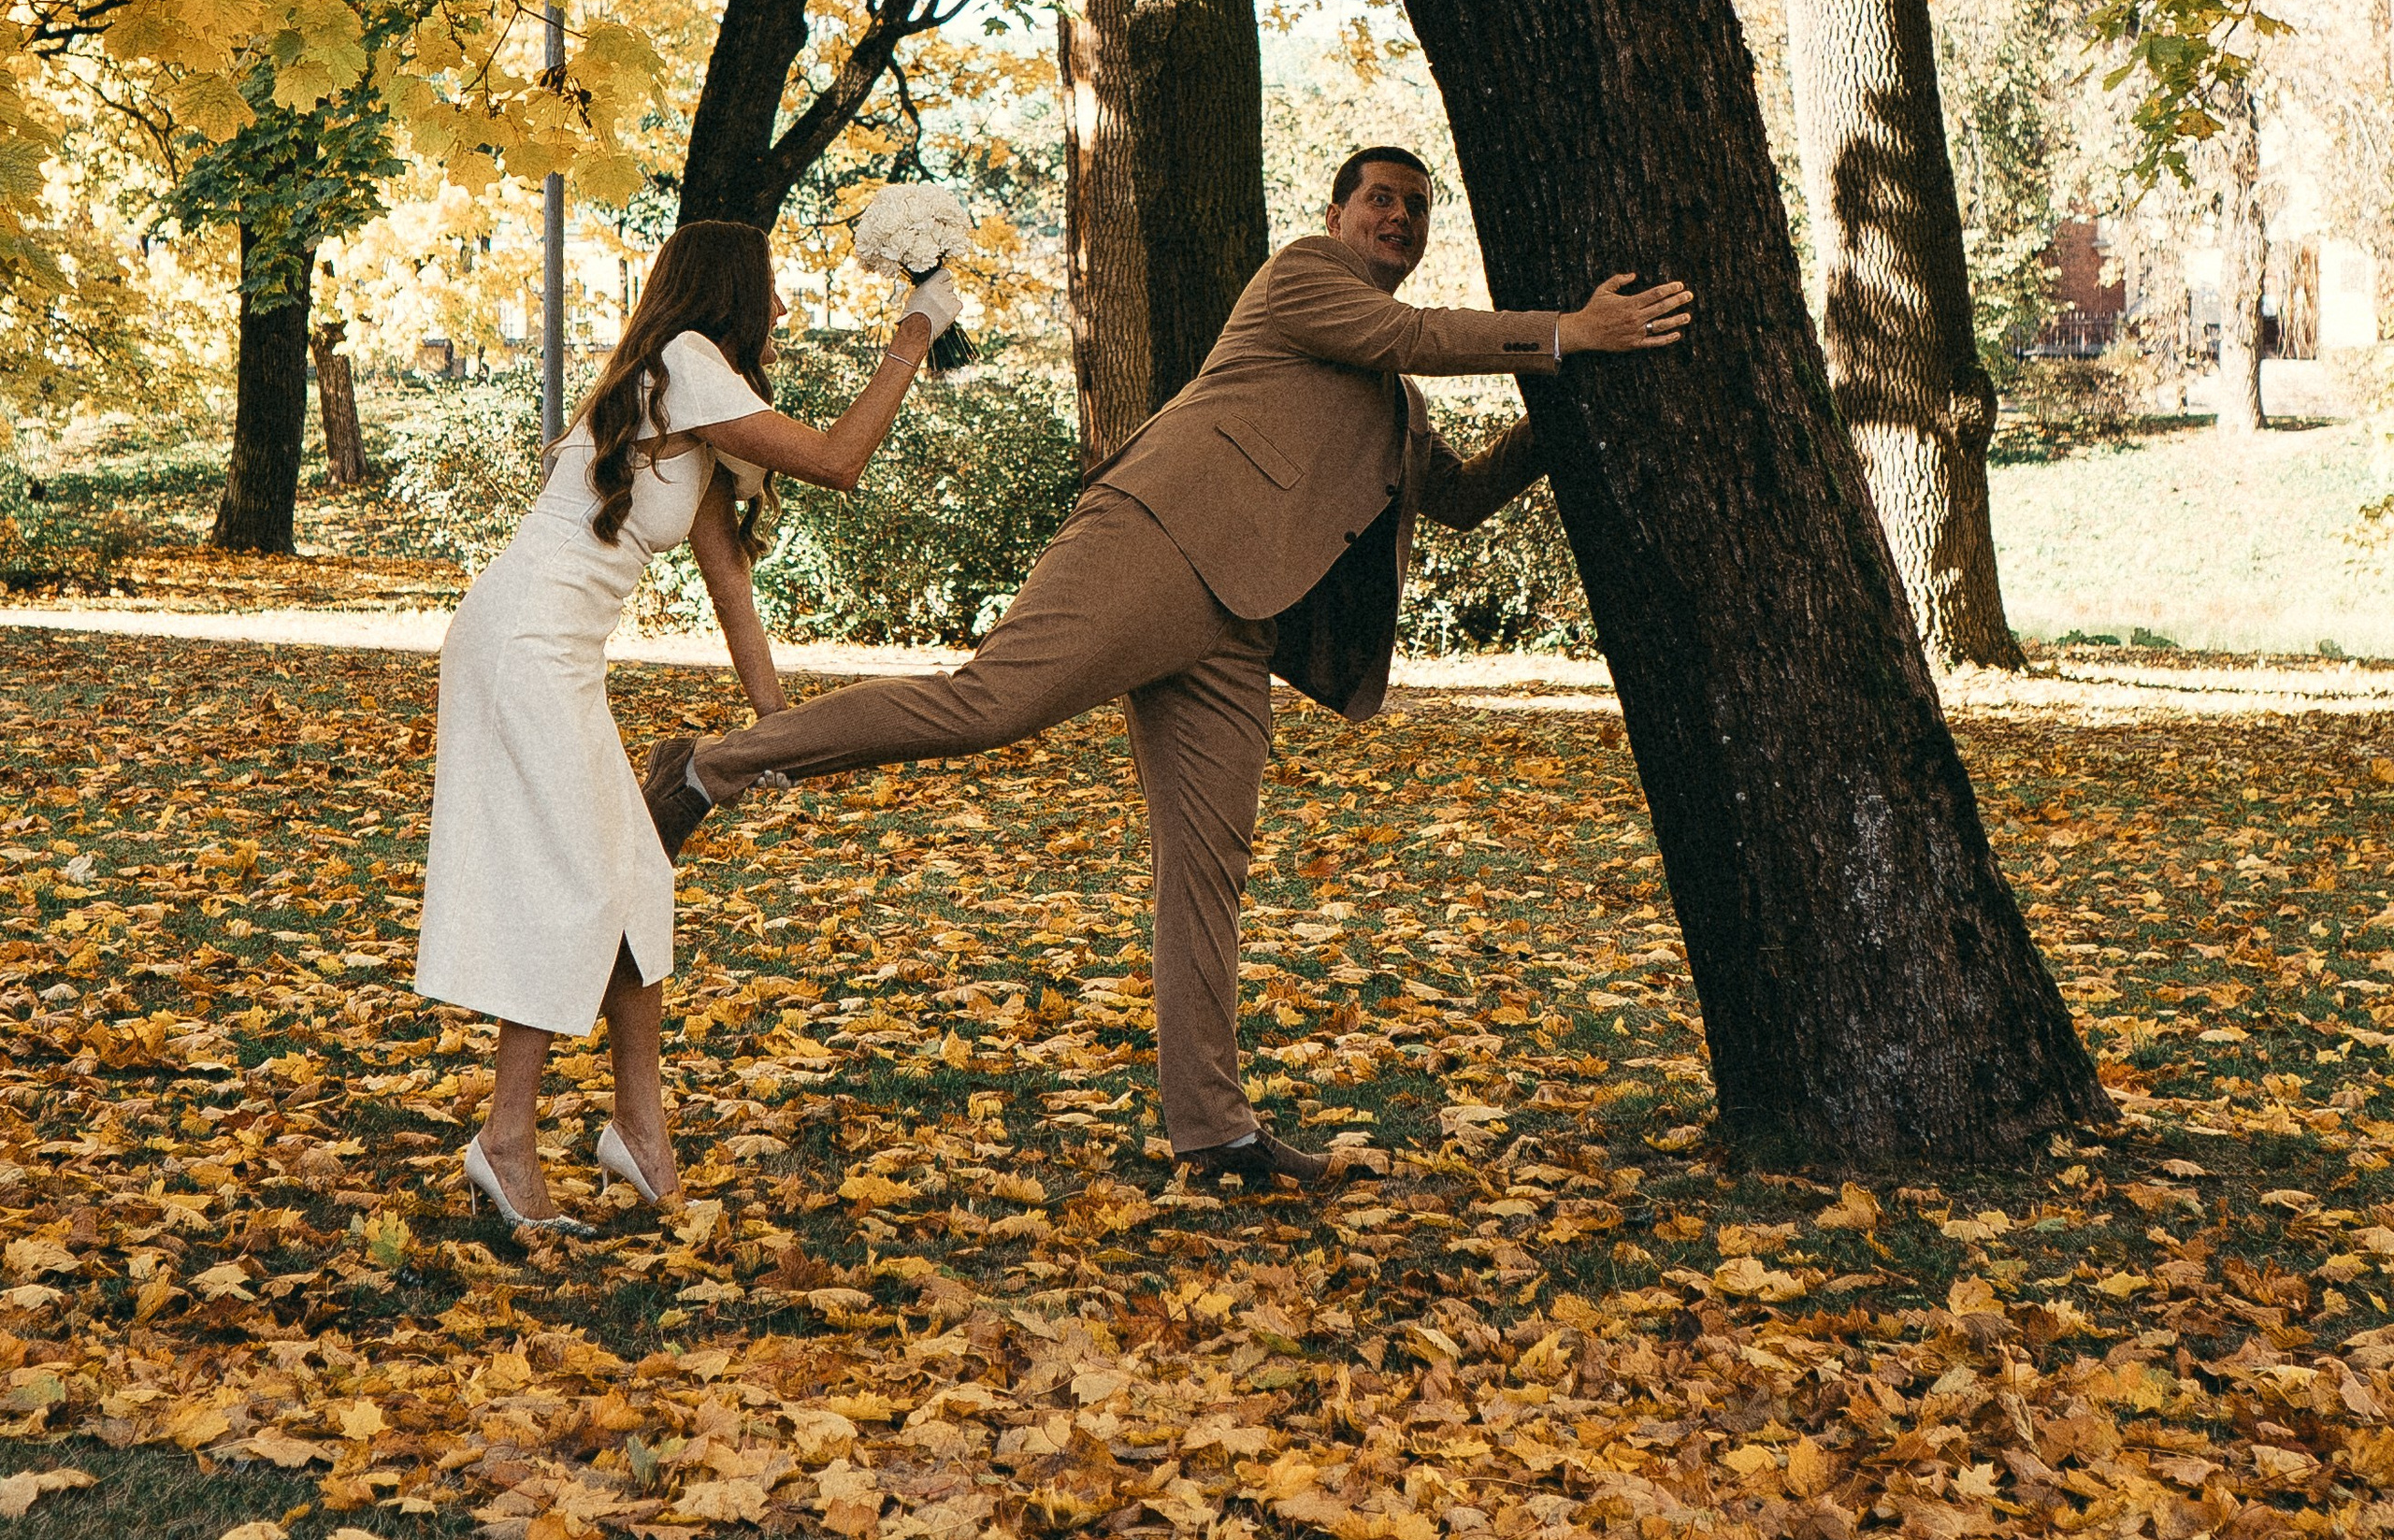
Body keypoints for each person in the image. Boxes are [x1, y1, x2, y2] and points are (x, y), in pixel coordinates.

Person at [641, 151, 1693, 1190]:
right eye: (1381, 199)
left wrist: (1573, 404)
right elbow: (1407, 331)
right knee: (989, 702)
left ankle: (1214, 1132)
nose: (1399, 218)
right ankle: (711, 766)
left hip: (1240, 628)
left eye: (1417, 208)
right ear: (1336, 214)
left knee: (1206, 871)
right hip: (1151, 543)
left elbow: (1457, 497)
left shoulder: (1398, 405)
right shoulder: (1301, 280)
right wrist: (1568, 332)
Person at [415, 215, 961, 1232]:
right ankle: (504, 1137)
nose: (787, 313)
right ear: (731, 296)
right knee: (578, 882)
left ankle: (638, 1131)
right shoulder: (685, 359)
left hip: (550, 651)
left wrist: (778, 730)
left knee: (636, 882)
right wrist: (914, 332)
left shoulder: (690, 399)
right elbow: (842, 461)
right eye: (773, 292)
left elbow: (731, 587)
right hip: (520, 646)